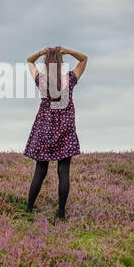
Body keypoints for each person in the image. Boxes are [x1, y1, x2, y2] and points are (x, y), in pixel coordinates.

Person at [24, 45, 88, 220]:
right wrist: (68, 50)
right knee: (63, 171)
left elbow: (29, 61)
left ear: (46, 62)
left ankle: (29, 209)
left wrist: (39, 52)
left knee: (40, 170)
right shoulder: (70, 79)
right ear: (62, 62)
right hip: (65, 128)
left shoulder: (42, 80)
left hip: (44, 128)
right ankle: (61, 213)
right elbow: (84, 59)